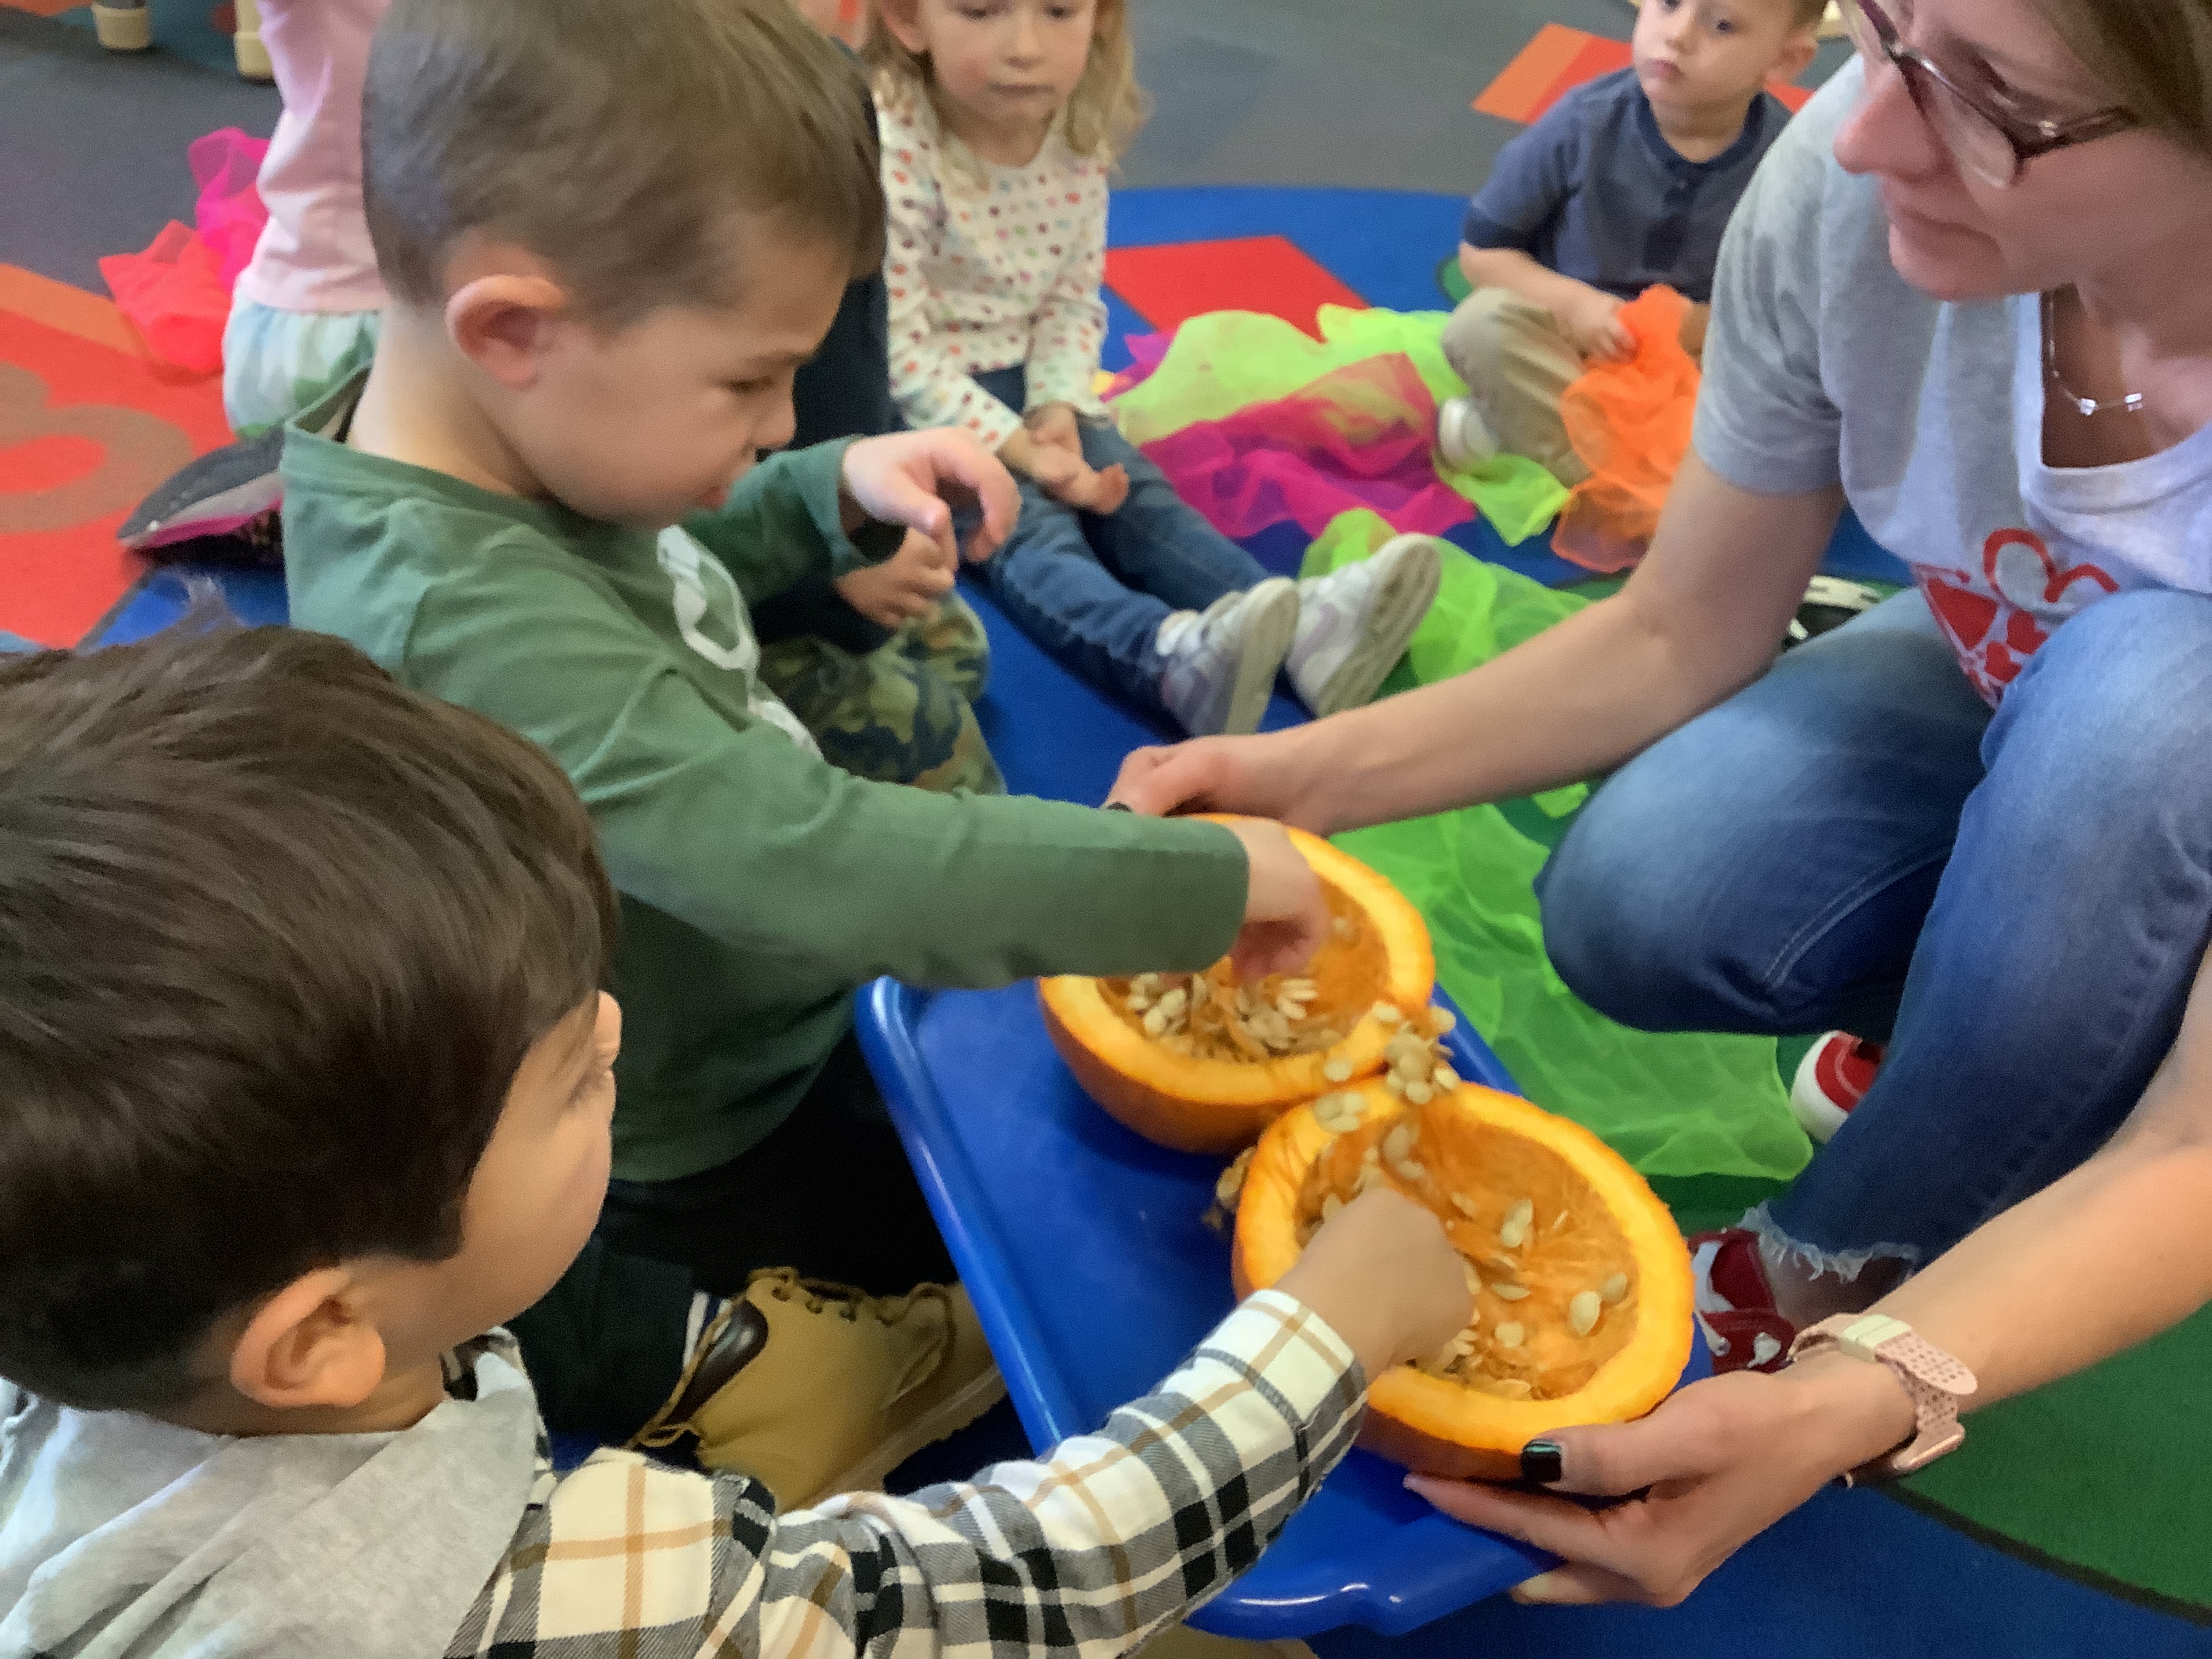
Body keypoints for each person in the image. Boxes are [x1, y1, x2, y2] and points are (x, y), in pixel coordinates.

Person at [1109, 0, 2212, 1600]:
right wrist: (1295, 775)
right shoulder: (1850, 186)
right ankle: (2000, 1024)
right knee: (1640, 891)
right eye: (1882, 28)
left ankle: (1873, 1219)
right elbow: (1674, 625)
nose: (1860, 130)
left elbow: (2195, 1150)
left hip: (2147, 738)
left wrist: (1873, 1387)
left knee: (2139, 709)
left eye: (1992, 102)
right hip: (2017, 677)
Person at [281, 0, 1332, 1498]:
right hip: (718, 1121)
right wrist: (1201, 880)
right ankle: (734, 1353)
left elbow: (629, 540)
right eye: (749, 383)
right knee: (1111, 1266)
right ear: (514, 329)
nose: (783, 419)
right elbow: (809, 860)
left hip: (770, 1008)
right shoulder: (460, 621)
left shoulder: (480, 444)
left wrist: (819, 489)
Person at [0, 623, 1473, 1657]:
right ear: (319, 1333)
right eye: (574, 1077)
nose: (621, 1036)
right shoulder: (534, 1599)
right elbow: (1033, 1578)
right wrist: (1327, 1332)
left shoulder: (121, 1293)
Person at [866, 0, 1445, 737]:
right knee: (1033, 529)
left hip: (1032, 383)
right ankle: (1163, 660)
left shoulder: (1072, 140)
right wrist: (1022, 452)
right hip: (924, 408)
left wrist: (1058, 407)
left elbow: (1072, 303)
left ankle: (1299, 631)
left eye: (1058, 12)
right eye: (981, 11)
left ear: (1100, 18)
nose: (1024, 47)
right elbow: (897, 351)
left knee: (1136, 494)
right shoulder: (899, 152)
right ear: (909, 24)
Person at [1435, 0, 1820, 485]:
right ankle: (1623, 486)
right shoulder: (1584, 121)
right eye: (1668, 5)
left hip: (1692, 367)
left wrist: (1699, 328)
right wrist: (1577, 308)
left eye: (1722, 25)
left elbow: (1787, 318)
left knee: (1804, 403)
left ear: (1784, 60)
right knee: (1480, 327)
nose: (1677, 36)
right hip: (1569, 342)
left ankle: (1534, 442)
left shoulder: (1790, 166)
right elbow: (1483, 253)